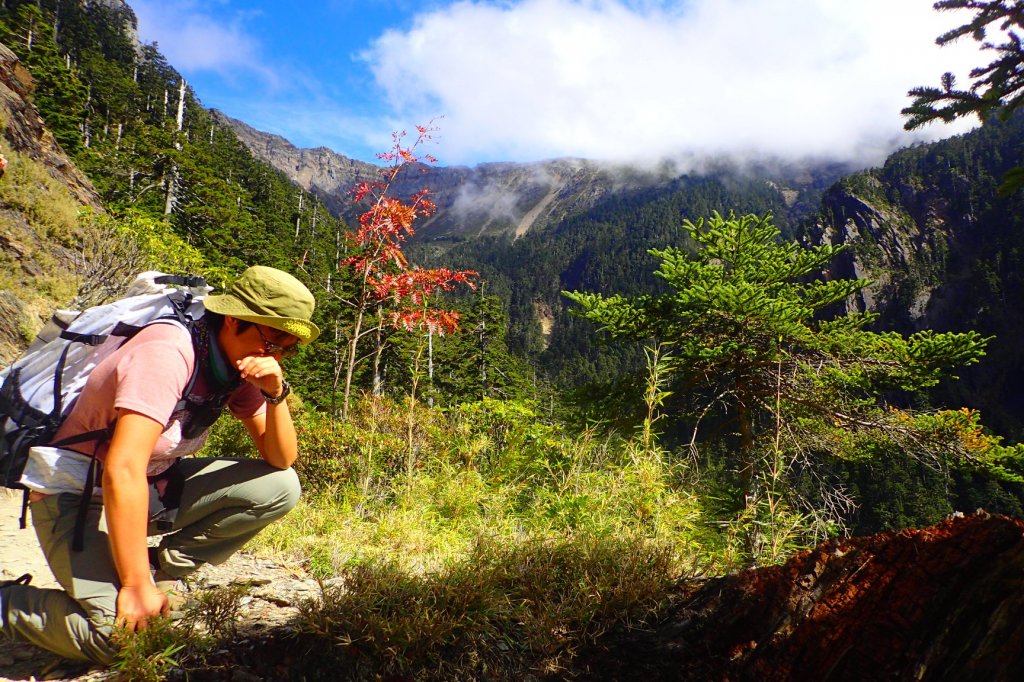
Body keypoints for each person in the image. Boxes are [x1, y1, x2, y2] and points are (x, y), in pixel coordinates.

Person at [0, 265, 319, 664]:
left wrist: (276, 392)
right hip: (76, 491)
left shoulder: (234, 364)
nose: (275, 355)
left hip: (147, 487)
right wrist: (133, 587)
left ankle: (156, 571)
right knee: (117, 638)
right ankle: (7, 604)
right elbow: (123, 467)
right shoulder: (168, 352)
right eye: (273, 340)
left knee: (279, 486)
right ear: (235, 319)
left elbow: (281, 459)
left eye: (288, 348)